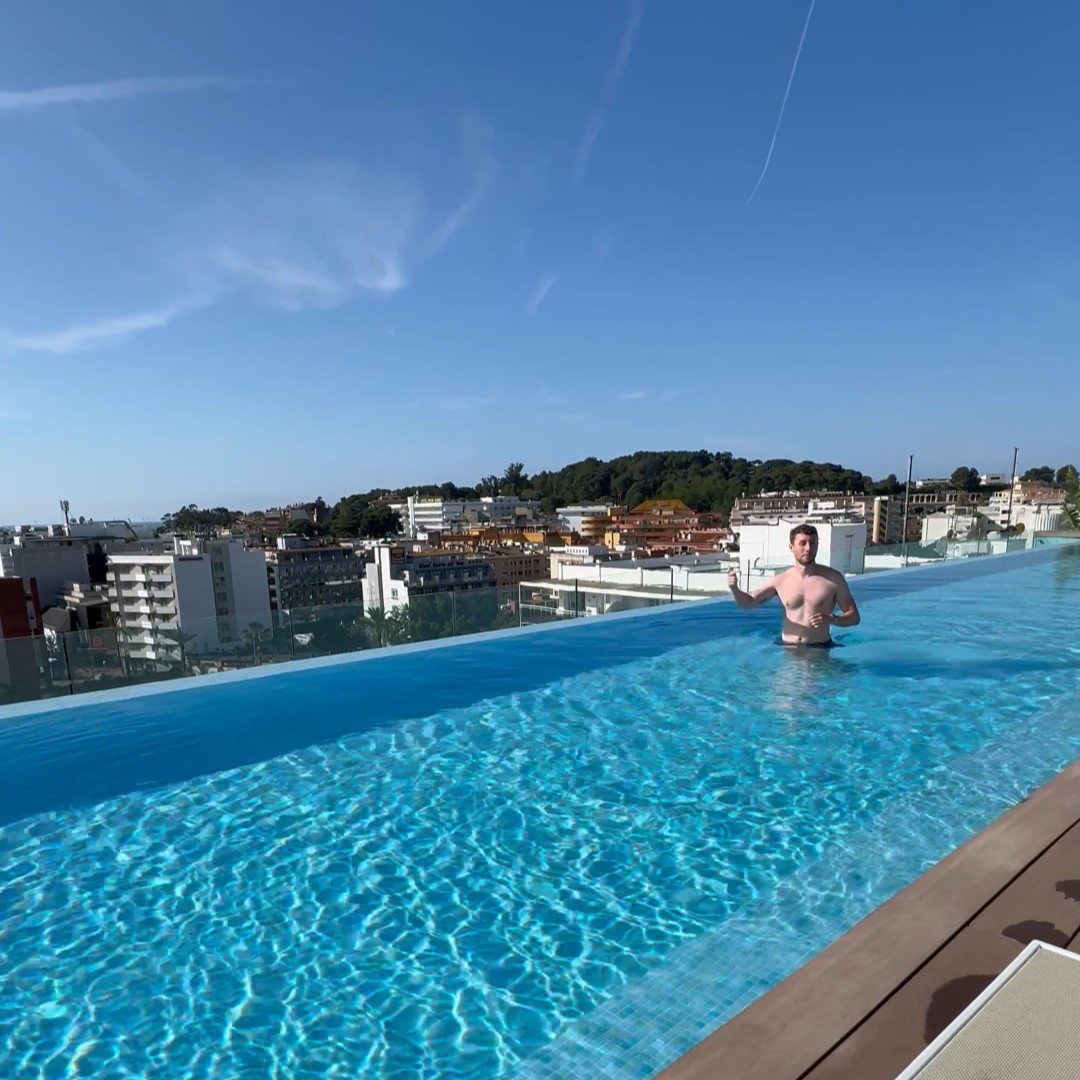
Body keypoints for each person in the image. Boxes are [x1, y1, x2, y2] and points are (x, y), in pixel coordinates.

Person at [727, 523, 860, 647]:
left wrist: (832, 619)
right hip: (788, 649)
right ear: (791, 547)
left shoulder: (833, 579)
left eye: (812, 543)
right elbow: (748, 603)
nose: (808, 548)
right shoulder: (780, 581)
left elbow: (854, 617)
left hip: (820, 649)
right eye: (802, 543)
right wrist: (734, 589)